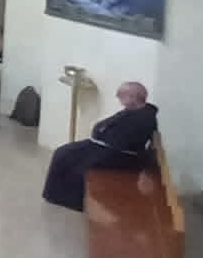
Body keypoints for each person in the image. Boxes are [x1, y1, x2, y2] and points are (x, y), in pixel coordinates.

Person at [42, 82, 159, 210]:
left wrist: (102, 136)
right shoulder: (131, 110)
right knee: (62, 152)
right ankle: (54, 195)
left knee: (79, 164)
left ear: (133, 97)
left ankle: (76, 201)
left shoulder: (146, 116)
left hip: (118, 155)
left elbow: (127, 141)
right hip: (103, 147)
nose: (118, 97)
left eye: (121, 94)